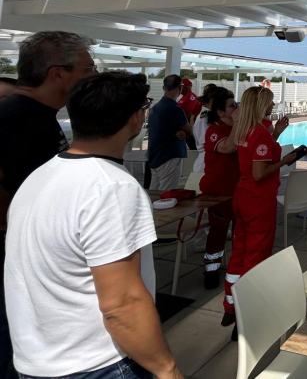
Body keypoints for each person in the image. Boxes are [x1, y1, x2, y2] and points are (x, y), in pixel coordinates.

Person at [4, 72, 182, 378]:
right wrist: (167, 369)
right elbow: (122, 305)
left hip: (37, 361)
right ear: (136, 119)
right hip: (97, 365)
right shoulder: (112, 188)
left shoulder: (40, 176)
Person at [0, 31, 95, 377]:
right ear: (58, 73)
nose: (93, 76)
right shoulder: (15, 117)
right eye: (87, 69)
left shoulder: (37, 113)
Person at [222, 86, 306, 332]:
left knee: (239, 251)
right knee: (256, 254)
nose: (272, 106)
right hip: (258, 201)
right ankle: (248, 312)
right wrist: (285, 161)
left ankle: (230, 305)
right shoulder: (258, 133)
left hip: (242, 196)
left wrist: (277, 134)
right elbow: (260, 172)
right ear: (260, 105)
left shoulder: (246, 131)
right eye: (269, 103)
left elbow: (257, 158)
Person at [199, 88, 240, 290]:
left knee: (239, 231)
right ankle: (211, 270)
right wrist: (239, 124)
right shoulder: (213, 131)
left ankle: (236, 269)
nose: (236, 108)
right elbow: (227, 148)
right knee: (218, 231)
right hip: (218, 191)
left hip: (236, 190)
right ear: (221, 112)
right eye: (232, 106)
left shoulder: (235, 129)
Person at [145, 75, 194, 190]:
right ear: (180, 88)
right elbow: (190, 130)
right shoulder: (175, 109)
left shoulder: (155, 108)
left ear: (163, 87)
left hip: (155, 156)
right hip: (169, 156)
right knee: (167, 194)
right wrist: (192, 119)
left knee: (154, 192)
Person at [191, 84, 218, 172]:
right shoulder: (204, 119)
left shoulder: (210, 116)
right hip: (205, 162)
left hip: (208, 160)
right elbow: (206, 143)